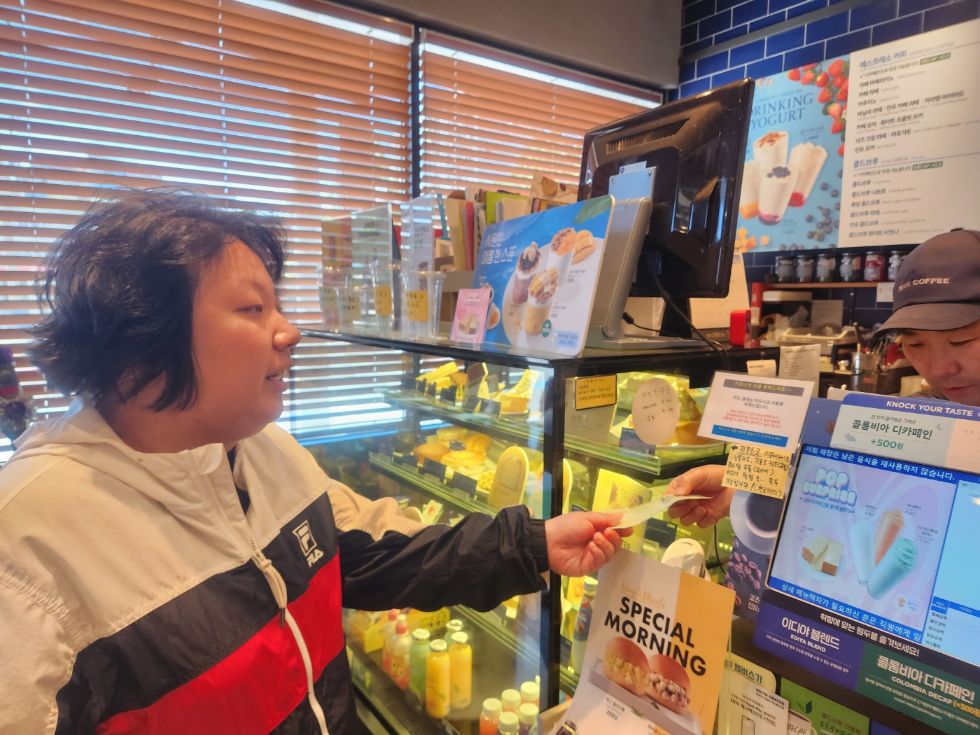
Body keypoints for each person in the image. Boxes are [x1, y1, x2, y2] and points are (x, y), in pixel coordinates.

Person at [0, 189, 629, 734]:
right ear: (142, 338)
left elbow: (377, 551)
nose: (289, 331)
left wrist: (532, 544)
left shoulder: (263, 451)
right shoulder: (28, 548)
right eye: (253, 309)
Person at [665, 228, 980, 525]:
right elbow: (853, 475)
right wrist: (745, 485)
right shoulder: (927, 414)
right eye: (916, 345)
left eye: (961, 341)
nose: (940, 368)